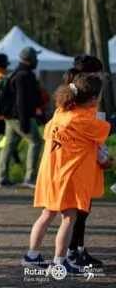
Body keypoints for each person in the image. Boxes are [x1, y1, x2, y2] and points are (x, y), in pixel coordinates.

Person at [20, 73, 115, 275]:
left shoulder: (62, 110)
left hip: (50, 172)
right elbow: (109, 128)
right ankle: (60, 262)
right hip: (68, 175)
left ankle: (31, 256)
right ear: (93, 99)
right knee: (69, 218)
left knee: (47, 214)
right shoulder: (84, 119)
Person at [64, 56, 108, 268]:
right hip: (77, 166)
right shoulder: (79, 107)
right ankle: (71, 252)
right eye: (99, 74)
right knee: (78, 213)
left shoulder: (83, 102)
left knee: (83, 211)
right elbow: (96, 129)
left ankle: (78, 249)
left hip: (86, 162)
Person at [0, 47, 42, 188]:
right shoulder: (24, 75)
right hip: (19, 116)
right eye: (35, 57)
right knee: (36, 142)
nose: (37, 60)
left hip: (10, 116)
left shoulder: (17, 72)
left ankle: (2, 178)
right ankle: (30, 177)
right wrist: (24, 121)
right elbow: (21, 99)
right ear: (29, 59)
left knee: (9, 145)